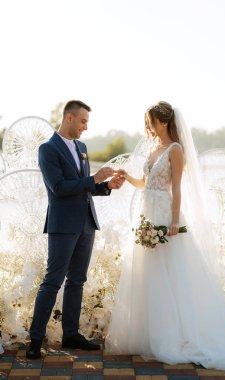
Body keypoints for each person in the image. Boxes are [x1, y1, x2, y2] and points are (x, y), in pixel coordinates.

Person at [105, 101, 225, 370]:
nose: (148, 127)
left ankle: (175, 334)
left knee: (170, 273)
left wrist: (174, 222)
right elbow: (145, 185)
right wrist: (128, 177)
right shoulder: (153, 150)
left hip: (164, 216)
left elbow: (176, 189)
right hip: (146, 214)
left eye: (150, 122)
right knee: (148, 273)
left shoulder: (175, 150)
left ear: (163, 121)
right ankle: (149, 334)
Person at [26, 100, 124, 359]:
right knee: (52, 281)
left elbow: (83, 187)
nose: (85, 127)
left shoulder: (82, 147)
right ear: (69, 118)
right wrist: (94, 179)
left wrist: (106, 186)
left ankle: (71, 334)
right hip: (62, 225)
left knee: (77, 281)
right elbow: (58, 187)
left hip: (86, 223)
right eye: (82, 121)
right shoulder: (47, 149)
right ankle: (35, 340)